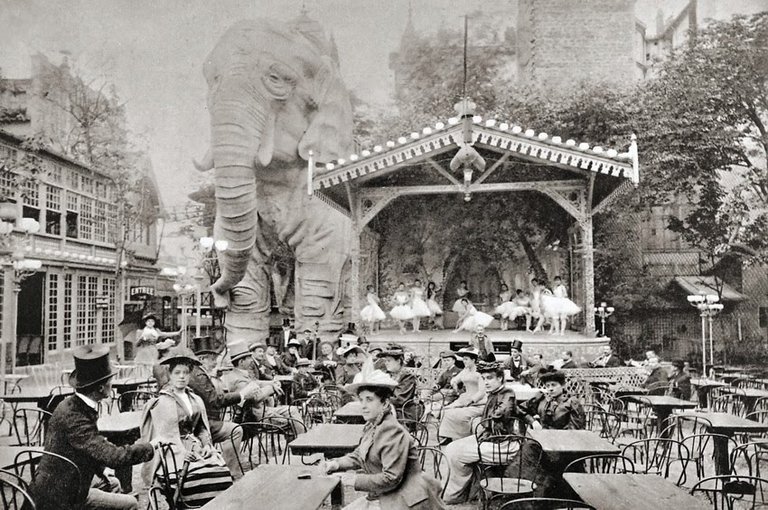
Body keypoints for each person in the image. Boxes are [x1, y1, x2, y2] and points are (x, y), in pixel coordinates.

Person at [24, 345, 155, 510]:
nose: (112, 384)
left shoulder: (72, 405)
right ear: (101, 387)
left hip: (60, 483)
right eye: (110, 380)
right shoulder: (75, 417)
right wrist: (151, 447)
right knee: (131, 504)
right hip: (59, 500)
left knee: (113, 483)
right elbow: (114, 456)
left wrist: (101, 469)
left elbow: (85, 448)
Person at [321, 359, 447, 509]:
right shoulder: (373, 425)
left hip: (406, 499)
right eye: (361, 400)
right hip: (385, 495)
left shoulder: (392, 431)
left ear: (385, 403)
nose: (364, 406)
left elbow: (391, 478)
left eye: (369, 400)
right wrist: (335, 464)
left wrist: (352, 479)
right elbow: (359, 455)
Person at [140, 352, 233, 506]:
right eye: (177, 373)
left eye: (185, 373)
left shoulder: (195, 399)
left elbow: (201, 428)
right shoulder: (163, 401)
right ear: (170, 375)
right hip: (172, 453)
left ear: (190, 375)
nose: (181, 377)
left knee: (222, 474)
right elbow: (164, 436)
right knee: (197, 478)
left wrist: (207, 445)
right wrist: (183, 453)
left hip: (196, 447)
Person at [443, 361, 526, 505]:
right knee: (450, 447)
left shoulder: (507, 394)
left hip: (503, 445)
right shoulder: (495, 393)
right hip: (491, 439)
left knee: (456, 454)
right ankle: (461, 490)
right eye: (484, 378)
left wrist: (486, 420)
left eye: (490, 378)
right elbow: (518, 411)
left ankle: (455, 495)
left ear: (500, 378)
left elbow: (502, 412)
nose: (486, 382)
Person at [187, 336, 258, 478]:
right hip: (203, 423)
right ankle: (232, 473)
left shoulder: (197, 372)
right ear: (202, 359)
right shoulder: (200, 375)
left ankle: (227, 469)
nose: (215, 363)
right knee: (235, 430)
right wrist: (242, 394)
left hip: (200, 420)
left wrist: (213, 376)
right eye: (212, 359)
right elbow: (215, 400)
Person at [438, 347, 486, 444]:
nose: (464, 361)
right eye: (463, 359)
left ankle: (464, 437)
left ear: (473, 360)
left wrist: (471, 400)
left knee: (456, 413)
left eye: (466, 359)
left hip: (478, 402)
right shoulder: (465, 370)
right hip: (464, 398)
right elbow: (455, 379)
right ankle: (448, 435)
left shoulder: (480, 372)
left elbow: (481, 392)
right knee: (444, 410)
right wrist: (454, 383)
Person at [379, 346, 417, 418]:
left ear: (398, 361)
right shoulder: (388, 375)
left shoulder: (407, 377)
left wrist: (378, 400)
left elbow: (399, 399)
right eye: (385, 361)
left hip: (403, 412)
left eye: (389, 361)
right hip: (388, 407)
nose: (386, 363)